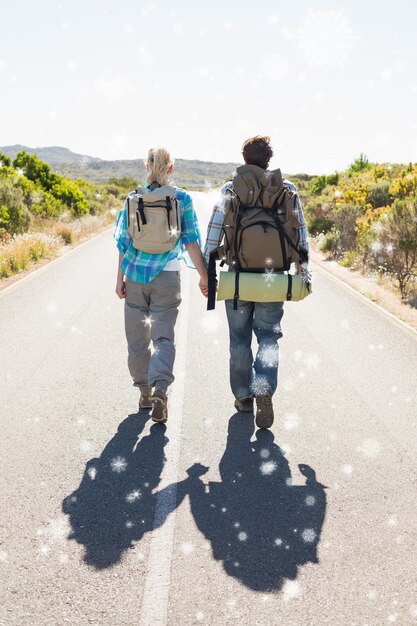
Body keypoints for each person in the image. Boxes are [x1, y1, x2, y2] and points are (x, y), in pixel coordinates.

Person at [204, 135, 310, 429]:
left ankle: (243, 397)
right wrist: (304, 270)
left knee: (239, 340)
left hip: (237, 277)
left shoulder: (231, 189)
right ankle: (264, 388)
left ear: (244, 158)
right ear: (269, 159)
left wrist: (207, 276)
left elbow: (213, 236)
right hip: (272, 278)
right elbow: (301, 236)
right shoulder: (287, 189)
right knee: (268, 337)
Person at [114, 147, 208, 423]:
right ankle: (161, 387)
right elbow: (191, 240)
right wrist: (203, 275)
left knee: (137, 339)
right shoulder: (181, 199)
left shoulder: (133, 198)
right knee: (163, 336)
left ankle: (144, 393)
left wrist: (119, 279)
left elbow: (123, 242)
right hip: (167, 275)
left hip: (135, 277)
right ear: (170, 169)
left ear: (147, 167)